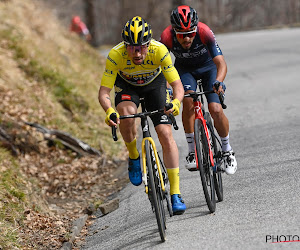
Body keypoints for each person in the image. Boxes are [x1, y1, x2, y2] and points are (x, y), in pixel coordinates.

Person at [98, 16, 186, 214]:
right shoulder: (115, 55)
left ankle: (175, 193)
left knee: (165, 134)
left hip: (155, 85)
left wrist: (176, 102)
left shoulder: (159, 51)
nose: (137, 52)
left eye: (141, 47)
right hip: (129, 87)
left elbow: (177, 85)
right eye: (131, 47)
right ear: (124, 45)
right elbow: (104, 93)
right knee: (126, 114)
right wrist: (109, 110)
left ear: (148, 44)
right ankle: (134, 155)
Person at [160, 5, 237, 175]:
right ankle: (192, 151)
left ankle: (227, 150)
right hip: (184, 71)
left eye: (190, 34)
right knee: (187, 102)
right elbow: (162, 68)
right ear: (174, 31)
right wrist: (168, 90)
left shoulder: (204, 31)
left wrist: (218, 82)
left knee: (215, 109)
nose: (187, 39)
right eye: (182, 35)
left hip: (208, 68)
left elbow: (220, 63)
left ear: (196, 29)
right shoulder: (166, 37)